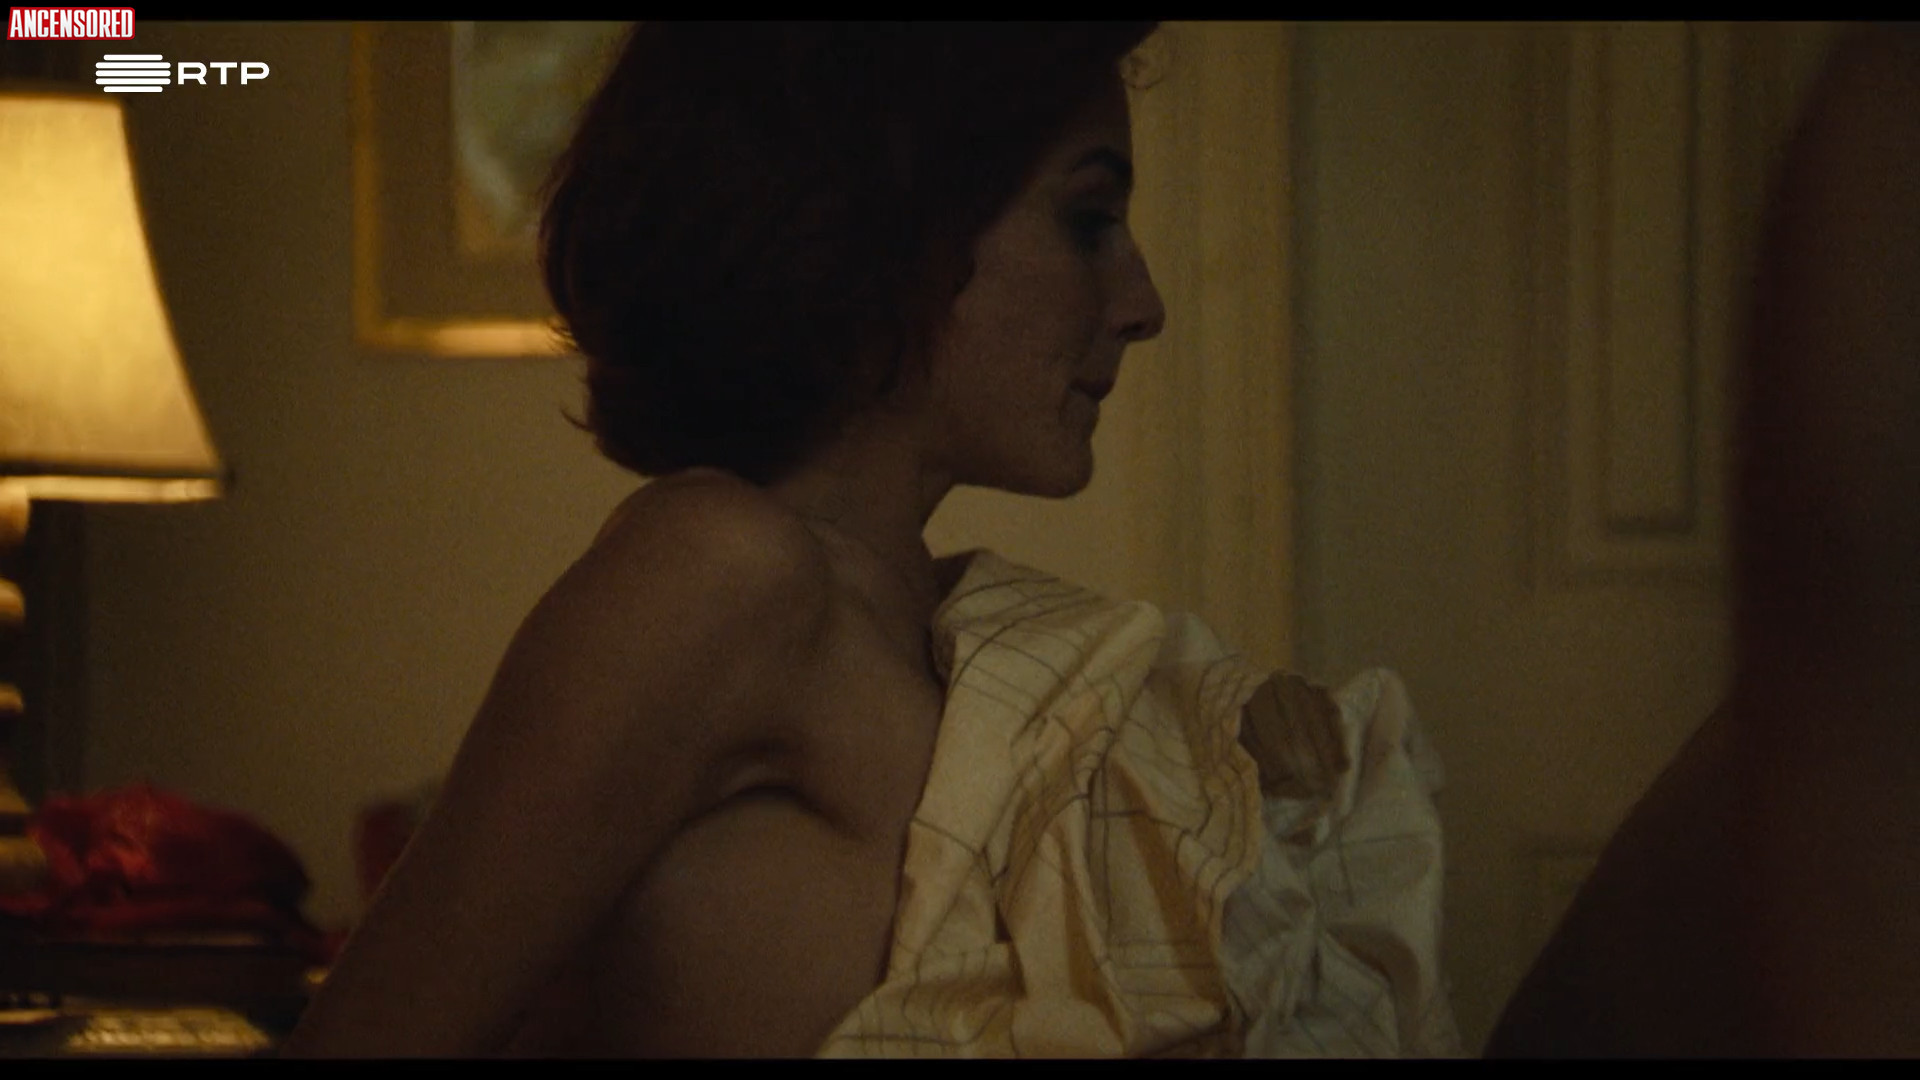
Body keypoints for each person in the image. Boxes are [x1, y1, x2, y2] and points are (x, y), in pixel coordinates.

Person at [285, 22, 1920, 1057]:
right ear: (883, 223)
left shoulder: (955, 634)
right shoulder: (718, 569)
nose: (1137, 303)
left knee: (1782, 747)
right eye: (1085, 218)